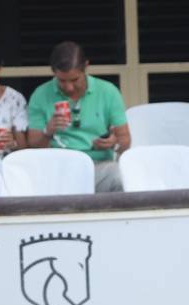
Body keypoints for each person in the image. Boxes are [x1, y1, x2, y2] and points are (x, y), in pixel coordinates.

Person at [27, 41, 131, 192]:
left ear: (86, 67)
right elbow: (33, 145)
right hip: (56, 168)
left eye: (74, 80)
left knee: (119, 177)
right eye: (62, 81)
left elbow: (125, 141)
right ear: (53, 71)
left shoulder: (108, 91)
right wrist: (47, 132)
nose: (69, 87)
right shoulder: (41, 94)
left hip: (97, 165)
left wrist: (113, 143)